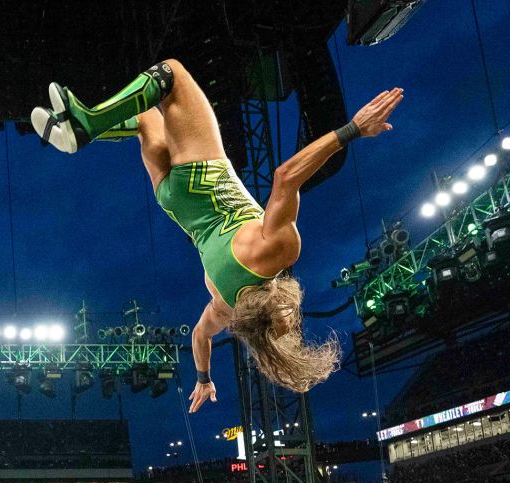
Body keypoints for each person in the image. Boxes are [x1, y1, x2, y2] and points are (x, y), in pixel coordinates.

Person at [31, 63, 401, 406]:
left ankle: (85, 125)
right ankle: (79, 130)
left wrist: (352, 130)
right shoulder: (224, 309)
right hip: (173, 201)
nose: (296, 313)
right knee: (145, 117)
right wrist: (203, 378)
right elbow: (199, 337)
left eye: (292, 322)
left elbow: (286, 177)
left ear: (280, 310)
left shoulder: (275, 254)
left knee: (170, 75)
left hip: (202, 176)